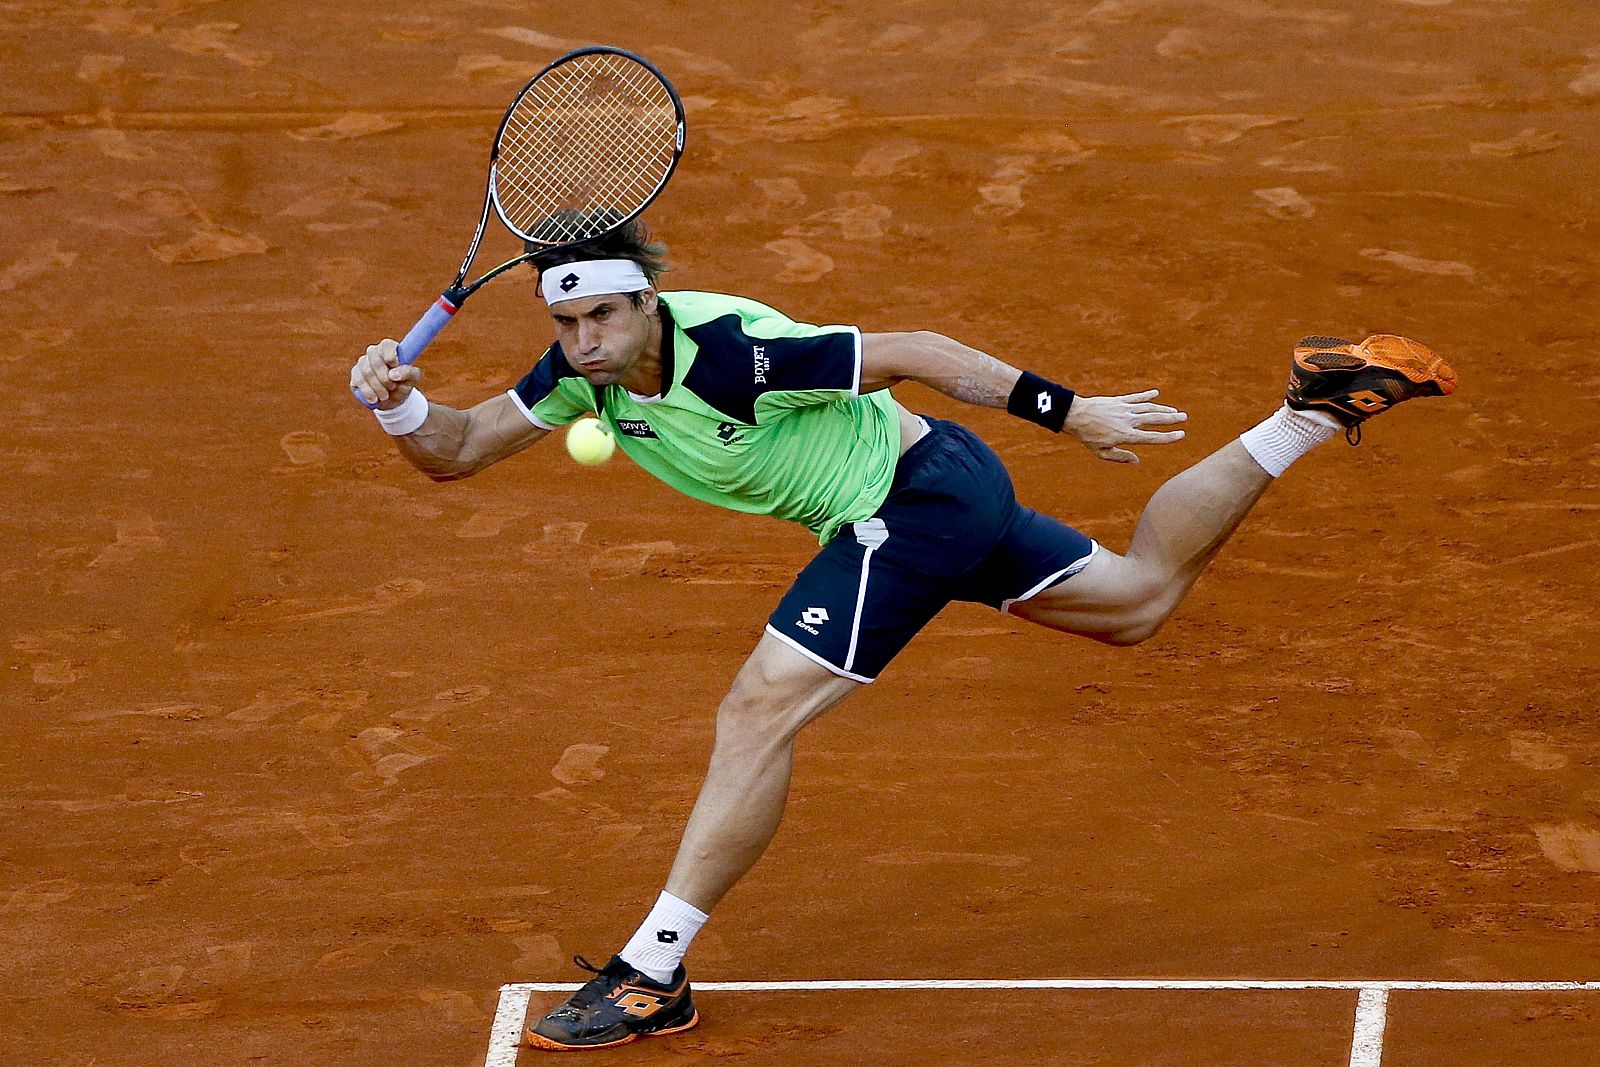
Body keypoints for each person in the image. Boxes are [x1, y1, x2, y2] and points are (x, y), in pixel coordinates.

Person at [348, 220, 1456, 1052]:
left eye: (603, 317)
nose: (584, 339)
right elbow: (458, 447)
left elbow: (918, 347)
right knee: (1137, 598)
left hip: (910, 500)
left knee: (757, 706)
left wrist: (1064, 409)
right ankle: (1311, 409)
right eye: (567, 321)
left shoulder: (737, 353)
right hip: (938, 492)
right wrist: (397, 404)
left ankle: (653, 970)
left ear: (648, 305)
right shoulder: (580, 378)